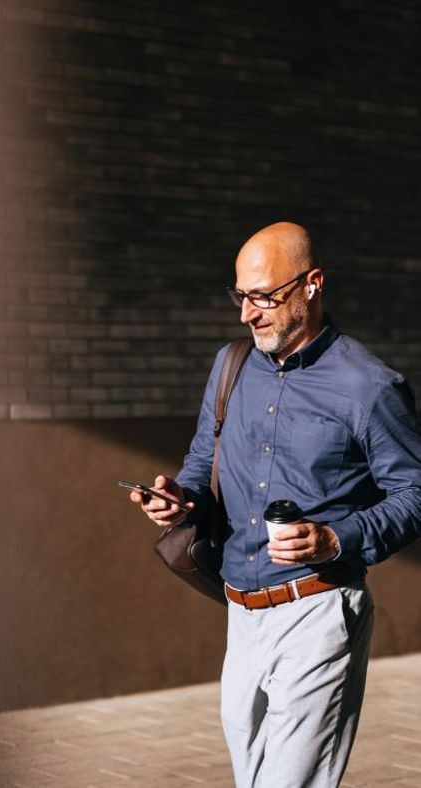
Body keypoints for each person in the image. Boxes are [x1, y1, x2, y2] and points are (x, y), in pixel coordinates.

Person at [129, 222, 421, 788]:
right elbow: (202, 462)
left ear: (312, 284)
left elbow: (414, 493)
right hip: (240, 611)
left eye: (263, 296)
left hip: (318, 608)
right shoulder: (231, 365)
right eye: (240, 296)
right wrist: (180, 500)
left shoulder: (369, 386)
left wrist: (335, 539)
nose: (247, 314)